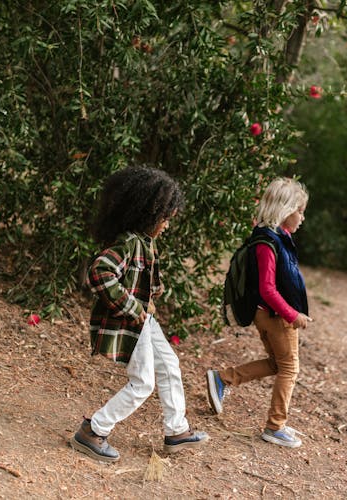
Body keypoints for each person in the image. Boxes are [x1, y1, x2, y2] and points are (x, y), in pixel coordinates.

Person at [70, 165, 208, 463]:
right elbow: (100, 271)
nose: (167, 225)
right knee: (143, 382)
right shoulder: (129, 242)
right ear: (147, 213)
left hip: (145, 319)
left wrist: (150, 296)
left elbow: (142, 279)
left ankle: (177, 430)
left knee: (169, 364)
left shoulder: (145, 242)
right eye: (165, 219)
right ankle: (93, 429)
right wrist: (133, 308)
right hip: (132, 322)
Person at [206, 177, 313, 448]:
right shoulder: (267, 243)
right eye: (299, 211)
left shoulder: (279, 238)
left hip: (272, 315)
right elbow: (266, 289)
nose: (302, 217)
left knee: (278, 364)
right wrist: (292, 314)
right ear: (284, 209)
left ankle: (224, 378)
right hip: (275, 316)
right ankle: (275, 427)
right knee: (290, 368)